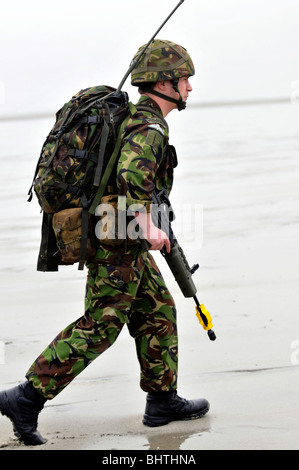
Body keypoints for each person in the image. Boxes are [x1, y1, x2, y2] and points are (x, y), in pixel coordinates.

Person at [0, 39, 210, 446]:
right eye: (185, 79)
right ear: (164, 82)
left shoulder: (137, 118)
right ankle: (26, 397)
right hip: (117, 238)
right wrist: (149, 228)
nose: (189, 87)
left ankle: (162, 400)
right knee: (101, 324)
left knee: (157, 308)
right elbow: (133, 180)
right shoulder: (149, 126)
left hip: (115, 234)